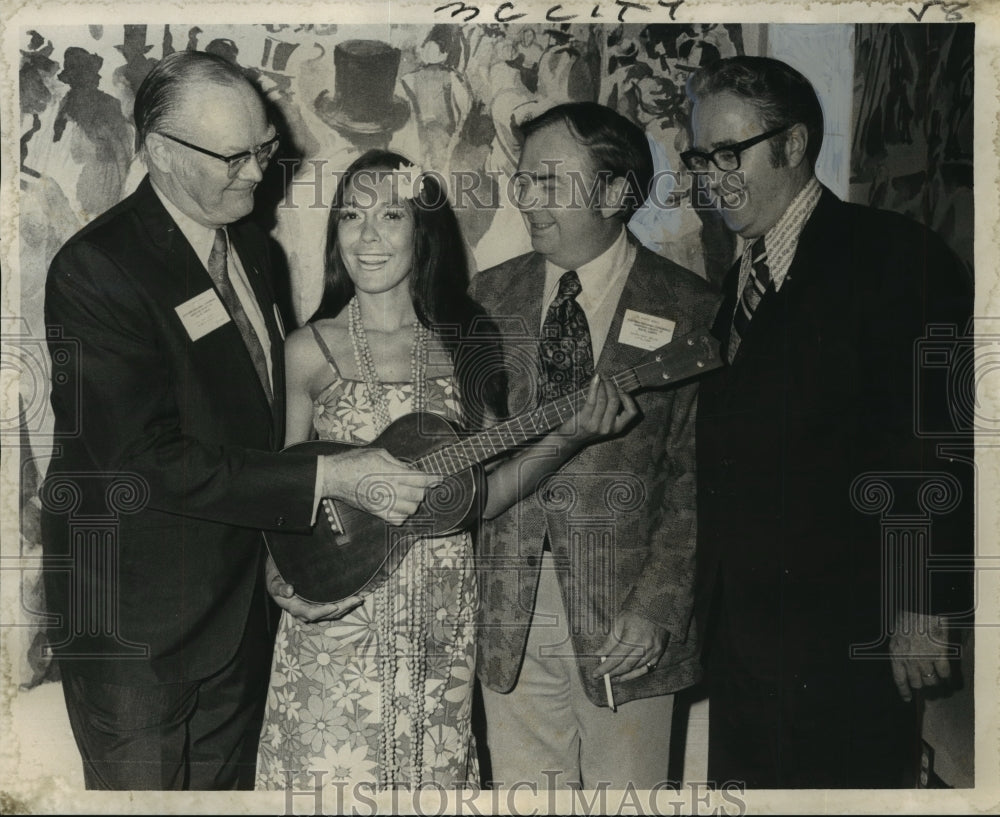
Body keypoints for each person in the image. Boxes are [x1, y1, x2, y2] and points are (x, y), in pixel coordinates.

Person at [41, 51, 439, 791]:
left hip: (238, 615)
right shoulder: (97, 270)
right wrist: (330, 472)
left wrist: (283, 558)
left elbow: (256, 428)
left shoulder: (251, 247)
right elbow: (140, 457)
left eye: (265, 149)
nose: (258, 173)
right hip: (138, 634)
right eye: (236, 156)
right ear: (160, 152)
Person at [255, 150, 636, 790]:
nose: (367, 236)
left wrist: (568, 437)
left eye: (391, 215)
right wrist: (276, 569)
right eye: (351, 215)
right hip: (341, 605)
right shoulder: (307, 350)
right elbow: (282, 494)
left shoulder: (469, 343)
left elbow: (483, 498)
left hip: (442, 611)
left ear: (421, 230)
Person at [684, 56, 974, 788]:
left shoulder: (892, 256)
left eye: (728, 153)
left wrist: (920, 602)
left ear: (793, 144)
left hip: (851, 634)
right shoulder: (740, 276)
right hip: (747, 637)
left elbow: (934, 441)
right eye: (699, 157)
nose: (711, 176)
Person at [470, 102, 719, 790]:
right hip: (507, 613)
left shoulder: (689, 308)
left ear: (614, 192)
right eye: (523, 180)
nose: (526, 198)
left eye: (550, 181)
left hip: (627, 621)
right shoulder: (485, 299)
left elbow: (694, 479)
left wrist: (659, 608)